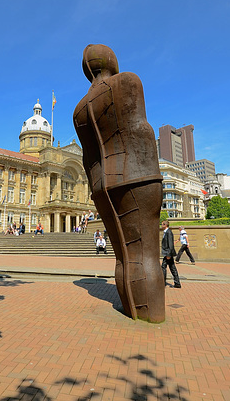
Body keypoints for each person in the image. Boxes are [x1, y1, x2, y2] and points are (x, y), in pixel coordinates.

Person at [74, 44, 165, 322]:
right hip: (137, 175)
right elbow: (141, 127)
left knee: (123, 256)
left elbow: (88, 155)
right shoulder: (127, 81)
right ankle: (153, 317)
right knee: (146, 253)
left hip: (102, 184)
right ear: (111, 59)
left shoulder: (78, 110)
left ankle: (132, 310)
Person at [161, 221, 181, 288]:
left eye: (162, 224)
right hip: (167, 253)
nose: (161, 225)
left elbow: (170, 244)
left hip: (168, 253)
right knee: (172, 267)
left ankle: (163, 282)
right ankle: (177, 283)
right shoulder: (166, 232)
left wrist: (169, 254)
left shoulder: (168, 232)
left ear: (165, 225)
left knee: (164, 267)